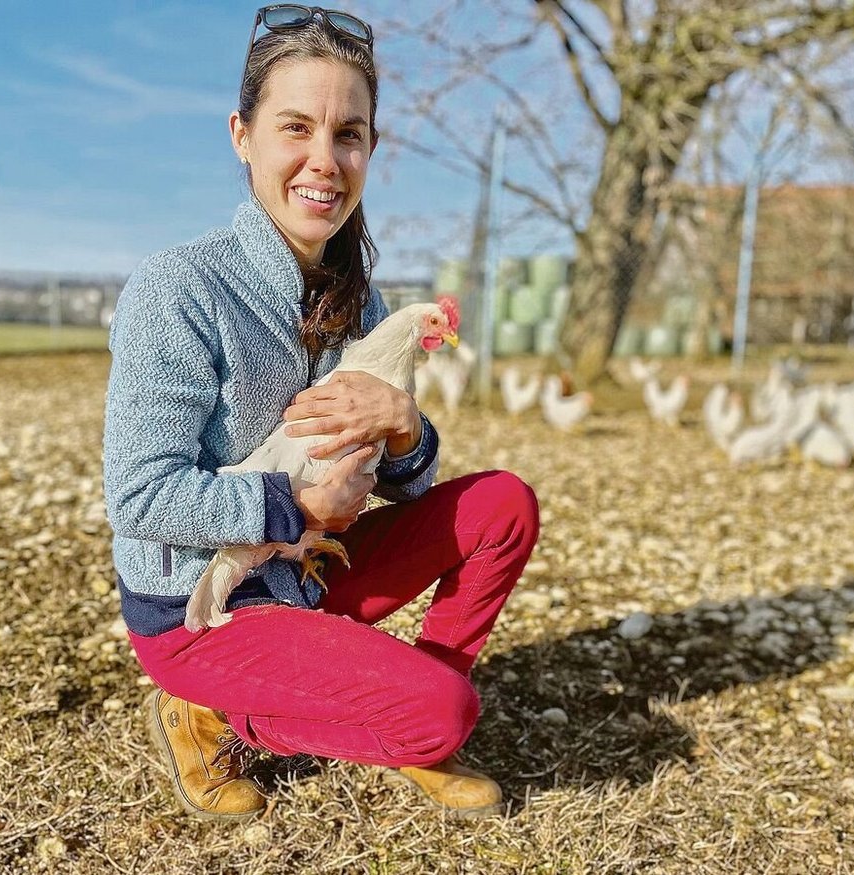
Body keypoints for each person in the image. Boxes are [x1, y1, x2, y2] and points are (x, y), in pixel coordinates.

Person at [104, 4, 539, 822]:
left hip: (307, 574)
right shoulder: (179, 290)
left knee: (501, 504)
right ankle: (213, 714)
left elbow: (405, 489)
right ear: (242, 135)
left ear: (371, 148)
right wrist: (295, 504)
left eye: (349, 134)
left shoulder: (359, 298)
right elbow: (139, 497)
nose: (325, 159)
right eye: (296, 127)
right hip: (206, 605)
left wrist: (405, 429)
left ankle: (412, 713)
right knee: (444, 711)